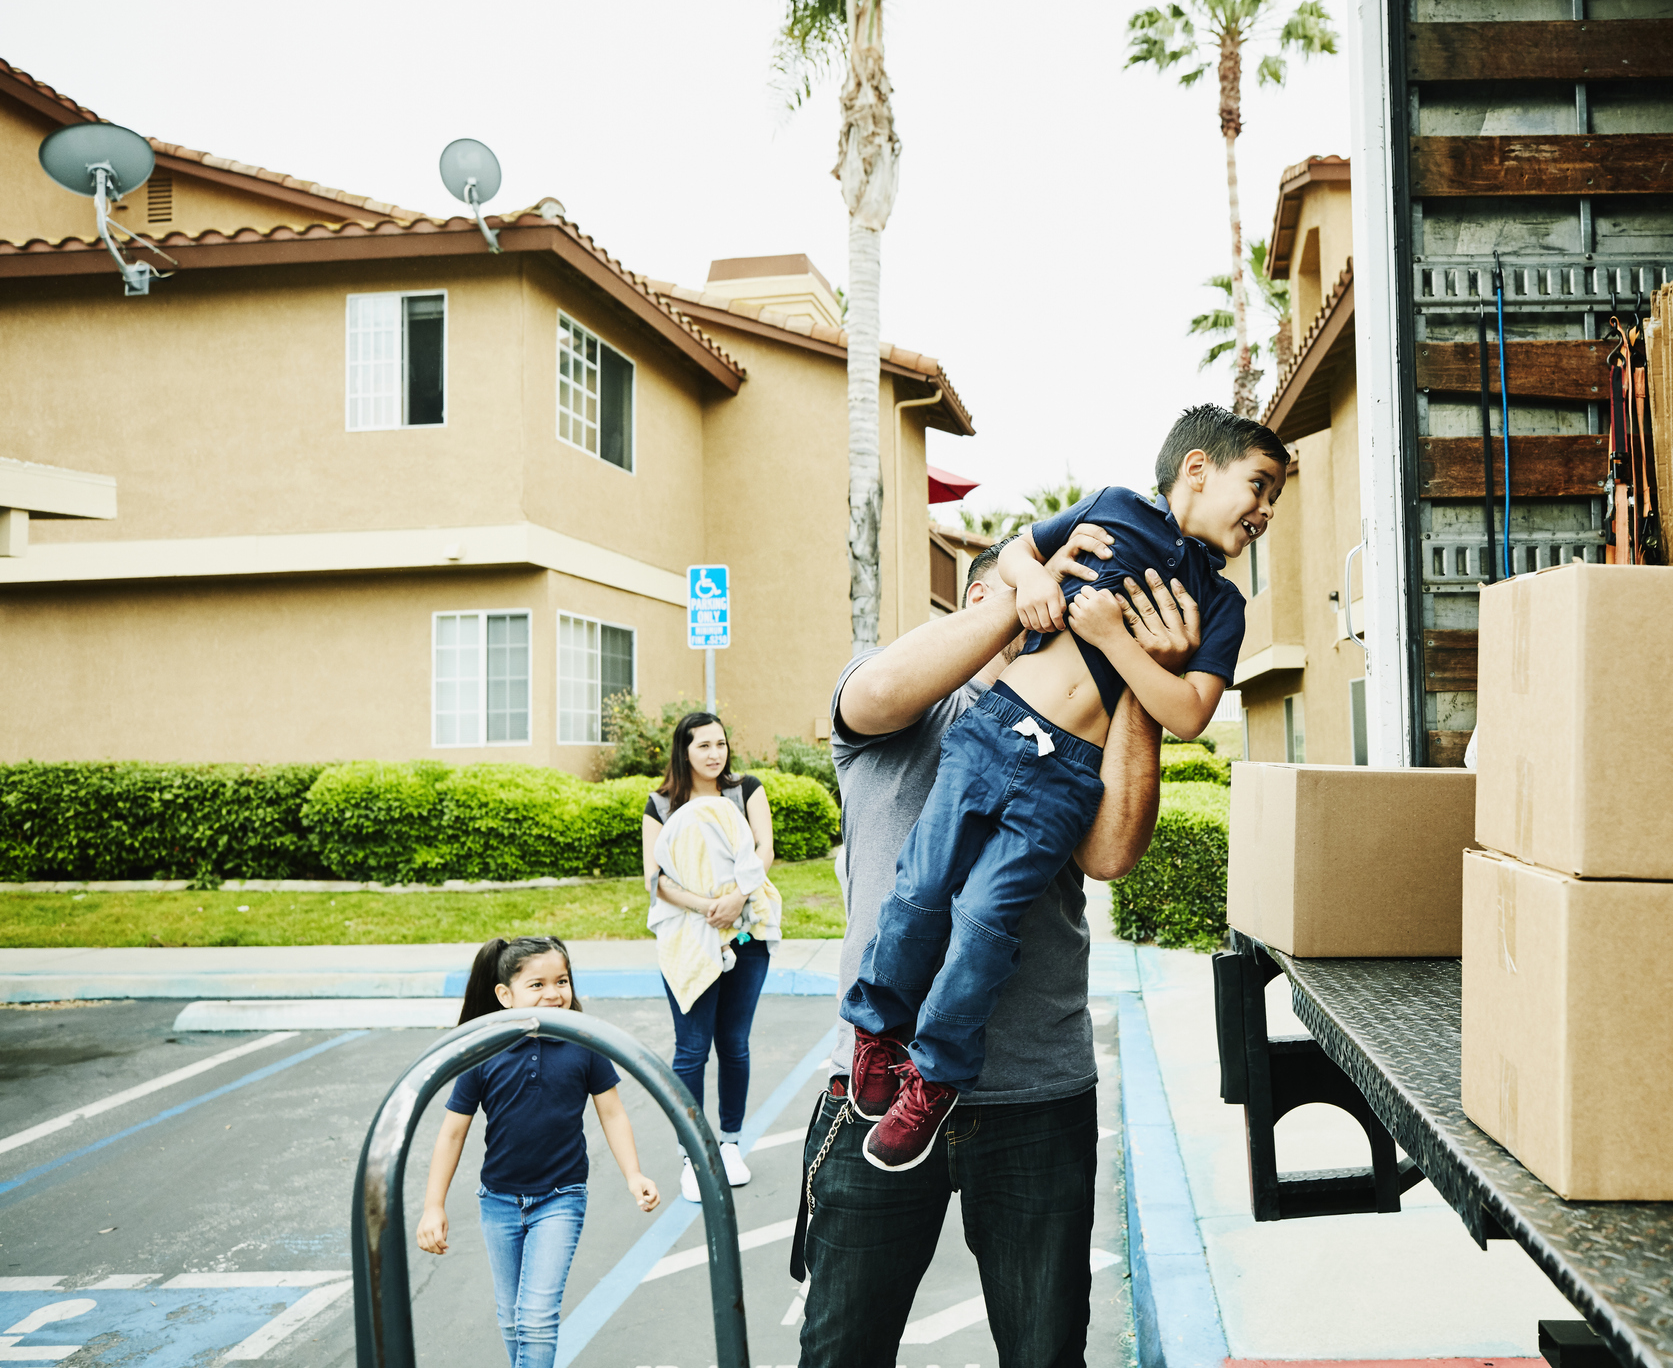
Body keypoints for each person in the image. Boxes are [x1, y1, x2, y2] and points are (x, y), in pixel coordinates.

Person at [841, 404, 1287, 1170]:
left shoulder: (1222, 607)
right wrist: (1032, 582)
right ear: (1196, 469)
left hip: (1068, 775)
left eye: (1272, 496)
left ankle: (936, 1074)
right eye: (1259, 484)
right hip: (993, 732)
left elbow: (1186, 714)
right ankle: (877, 1029)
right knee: (921, 885)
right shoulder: (1112, 509)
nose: (1266, 509)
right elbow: (1013, 550)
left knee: (984, 919)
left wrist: (1119, 639)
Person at [797, 523, 1201, 1368]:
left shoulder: (1076, 730)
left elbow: (1110, 855)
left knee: (1044, 1352)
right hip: (873, 1083)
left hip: (1034, 1095)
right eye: (1019, 607)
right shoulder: (901, 707)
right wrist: (1023, 595)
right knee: (841, 1350)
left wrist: (1135, 669)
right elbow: (873, 694)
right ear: (979, 600)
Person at [415, 936, 660, 1368]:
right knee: (511, 1320)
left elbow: (613, 1113)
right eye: (537, 984)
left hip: (561, 1197)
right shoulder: (484, 1050)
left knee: (536, 1319)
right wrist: (433, 1205)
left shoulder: (585, 1044)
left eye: (561, 981)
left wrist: (633, 1174)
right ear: (505, 996)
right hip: (498, 1203)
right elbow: (452, 1133)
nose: (553, 993)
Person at [643, 711, 775, 1198]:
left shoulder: (745, 790)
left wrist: (738, 897)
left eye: (721, 743)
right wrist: (708, 908)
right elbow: (655, 879)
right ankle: (691, 1151)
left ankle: (730, 1142)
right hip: (688, 940)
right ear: (684, 751)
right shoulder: (661, 804)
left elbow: (764, 849)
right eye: (703, 746)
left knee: (734, 1044)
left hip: (747, 935)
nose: (715, 753)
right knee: (692, 1049)